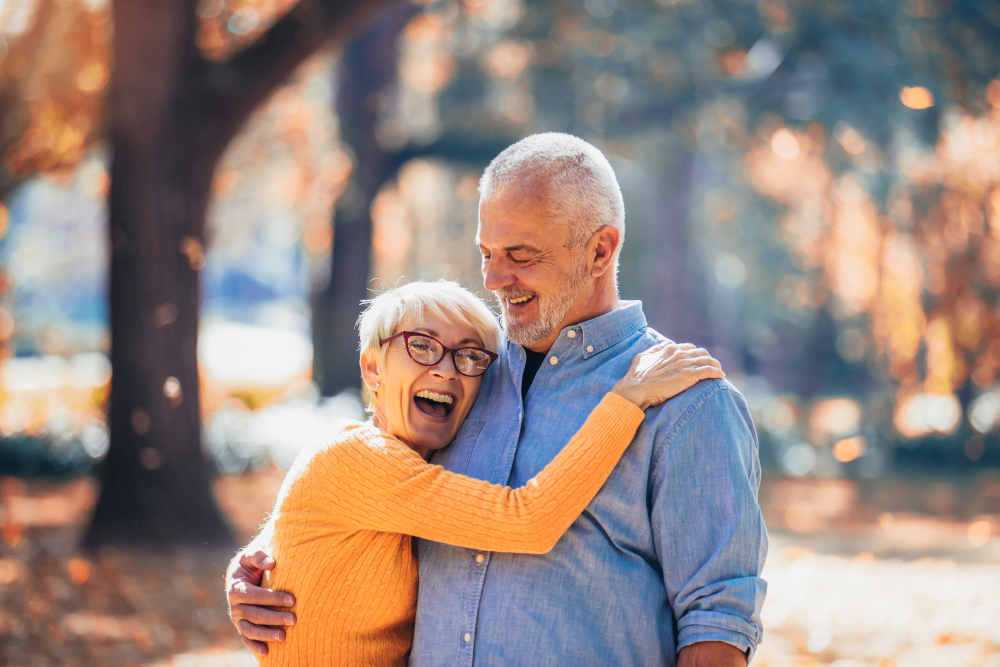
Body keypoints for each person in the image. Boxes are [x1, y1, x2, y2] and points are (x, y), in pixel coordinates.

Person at [227, 133, 768, 667]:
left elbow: (716, 625)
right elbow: (366, 493)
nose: (492, 276)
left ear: (600, 249)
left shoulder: (686, 402)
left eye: (520, 254)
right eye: (486, 252)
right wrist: (257, 569)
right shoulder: (462, 382)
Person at [236, 279, 723, 666]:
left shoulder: (420, 463)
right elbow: (525, 520)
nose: (448, 370)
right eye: (422, 346)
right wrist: (626, 399)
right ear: (372, 368)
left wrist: (252, 565)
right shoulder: (354, 456)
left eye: (470, 356)